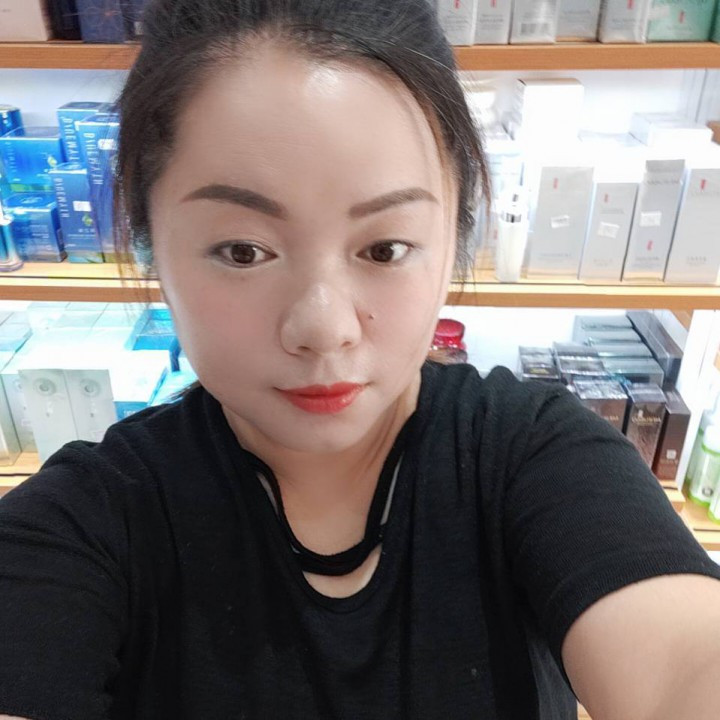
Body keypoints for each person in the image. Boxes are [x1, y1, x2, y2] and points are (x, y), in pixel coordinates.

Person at [1, 1, 720, 718]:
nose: (324, 328)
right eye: (243, 251)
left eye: (385, 248)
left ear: (455, 236)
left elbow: (683, 664)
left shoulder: (538, 458)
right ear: (149, 240)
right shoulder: (84, 525)